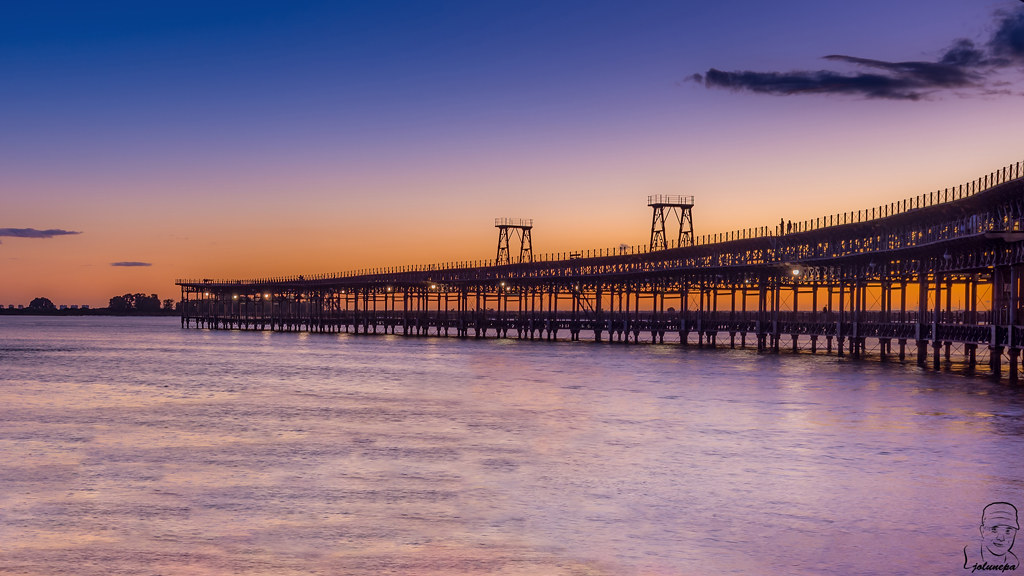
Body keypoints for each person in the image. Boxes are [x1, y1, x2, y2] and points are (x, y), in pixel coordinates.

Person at [964, 502, 1019, 571]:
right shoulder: (969, 555)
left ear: (1014, 533)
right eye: (994, 530)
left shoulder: (1014, 562)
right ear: (983, 531)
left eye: (1008, 531)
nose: (1001, 538)